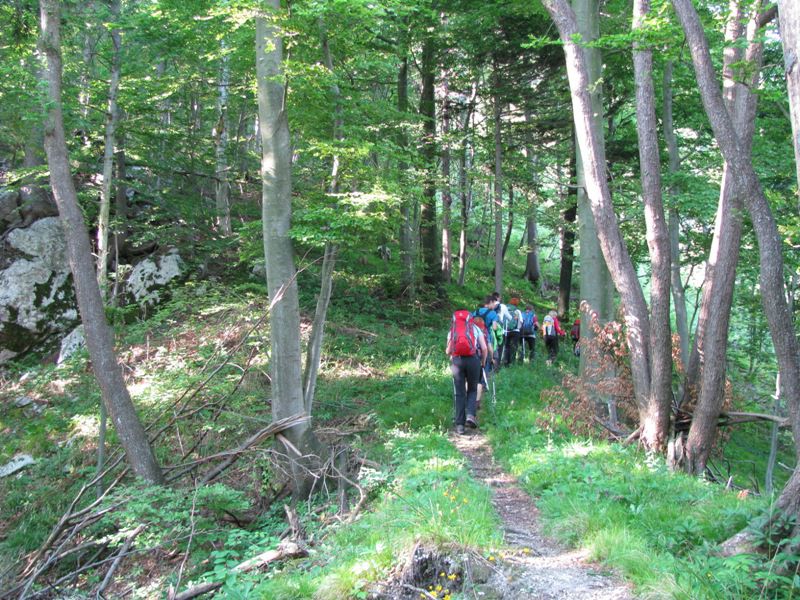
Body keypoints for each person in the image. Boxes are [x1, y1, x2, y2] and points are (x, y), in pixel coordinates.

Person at [446, 311, 488, 434]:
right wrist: (483, 362)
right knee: (472, 389)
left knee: (459, 392)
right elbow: (484, 348)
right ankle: (470, 415)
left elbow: (448, 350)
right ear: (469, 319)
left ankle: (460, 425)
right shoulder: (475, 328)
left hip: (457, 361)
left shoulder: (452, 330)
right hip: (473, 360)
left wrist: (453, 354)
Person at [474, 296, 500, 369]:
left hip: (474, 333)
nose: (494, 306)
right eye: (494, 304)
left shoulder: (477, 311)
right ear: (490, 302)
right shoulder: (493, 313)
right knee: (489, 348)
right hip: (485, 334)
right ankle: (491, 359)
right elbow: (494, 328)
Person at [504, 297, 523, 365]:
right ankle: (512, 362)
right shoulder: (517, 311)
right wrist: (518, 328)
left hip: (506, 331)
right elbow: (520, 321)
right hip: (515, 331)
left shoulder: (506, 309)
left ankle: (506, 361)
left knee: (507, 346)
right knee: (514, 347)